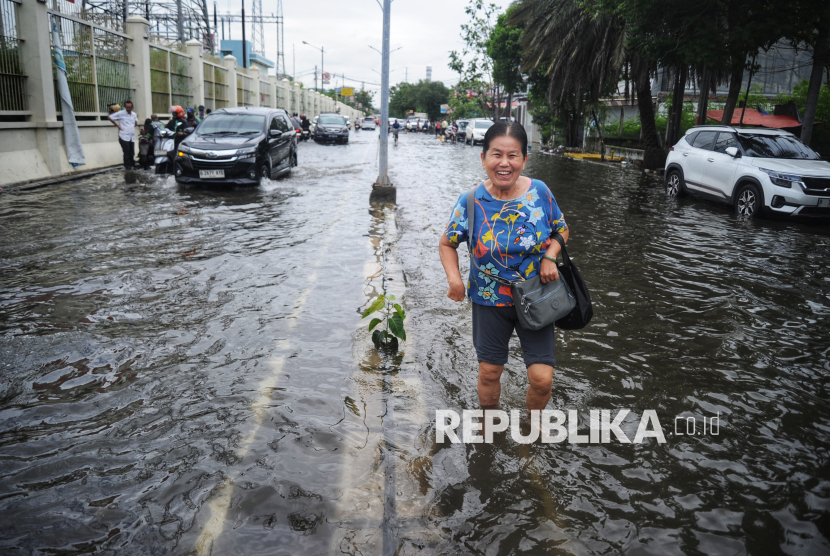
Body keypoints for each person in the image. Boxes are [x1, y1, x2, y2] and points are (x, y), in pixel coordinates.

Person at [438, 121, 569, 413]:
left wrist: (550, 256)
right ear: (483, 157)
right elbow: (447, 243)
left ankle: (529, 431)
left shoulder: (540, 192)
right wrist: (455, 280)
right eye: (497, 154)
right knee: (489, 371)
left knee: (542, 379)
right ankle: (489, 424)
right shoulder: (470, 201)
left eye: (513, 155)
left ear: (524, 158)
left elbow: (562, 229)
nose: (504, 163)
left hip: (536, 296)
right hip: (488, 299)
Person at [108, 100, 138, 169]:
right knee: (126, 152)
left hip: (131, 136)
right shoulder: (121, 113)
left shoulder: (134, 114)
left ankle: (132, 165)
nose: (128, 109)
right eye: (127, 107)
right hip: (123, 136)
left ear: (132, 107)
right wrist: (118, 126)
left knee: (132, 152)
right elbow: (110, 117)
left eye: (129, 107)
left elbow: (136, 122)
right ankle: (128, 166)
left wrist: (133, 126)